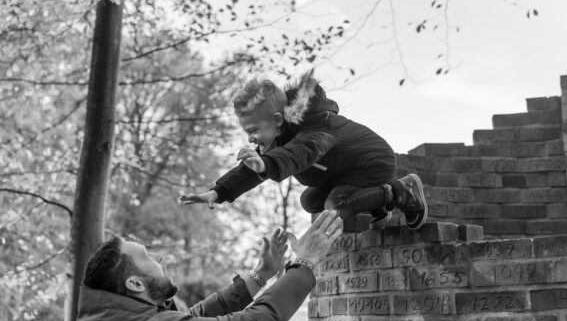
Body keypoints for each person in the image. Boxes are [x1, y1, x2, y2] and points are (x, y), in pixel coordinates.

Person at [77, 209, 343, 321]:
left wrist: (261, 274)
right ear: (135, 284)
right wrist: (305, 262)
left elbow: (193, 319)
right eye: (147, 257)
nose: (159, 257)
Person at [179, 70, 428, 230]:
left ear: (277, 120)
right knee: (309, 201)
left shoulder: (315, 128)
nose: (251, 137)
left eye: (254, 130)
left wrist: (265, 164)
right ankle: (376, 205)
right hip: (343, 173)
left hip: (371, 162)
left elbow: (300, 152)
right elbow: (250, 171)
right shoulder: (277, 136)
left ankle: (401, 191)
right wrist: (218, 192)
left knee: (334, 210)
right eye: (247, 132)